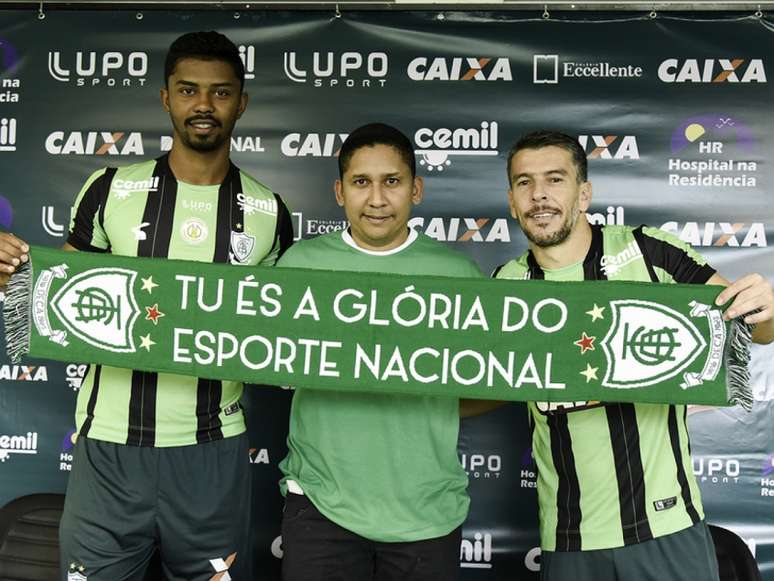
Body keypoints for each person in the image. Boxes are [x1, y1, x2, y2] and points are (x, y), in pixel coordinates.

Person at [1, 31, 294, 580]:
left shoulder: (268, 212)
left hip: (211, 454)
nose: (203, 105)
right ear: (166, 98)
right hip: (109, 450)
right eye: (188, 90)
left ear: (241, 102)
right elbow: (50, 294)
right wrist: (10, 271)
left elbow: (282, 326)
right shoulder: (110, 188)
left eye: (220, 92)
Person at [492, 130, 774, 581]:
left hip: (667, 529)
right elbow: (480, 380)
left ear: (584, 193)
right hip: (569, 539)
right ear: (511, 200)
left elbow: (757, 330)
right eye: (524, 183)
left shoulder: (649, 252)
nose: (539, 195)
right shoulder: (503, 285)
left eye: (555, 179)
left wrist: (765, 308)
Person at [276, 122, 482, 581]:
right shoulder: (299, 266)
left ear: (416, 189)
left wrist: (428, 400)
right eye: (361, 182)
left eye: (392, 181)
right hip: (320, 504)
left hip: (425, 510)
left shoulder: (458, 275)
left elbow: (500, 378)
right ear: (339, 191)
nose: (377, 199)